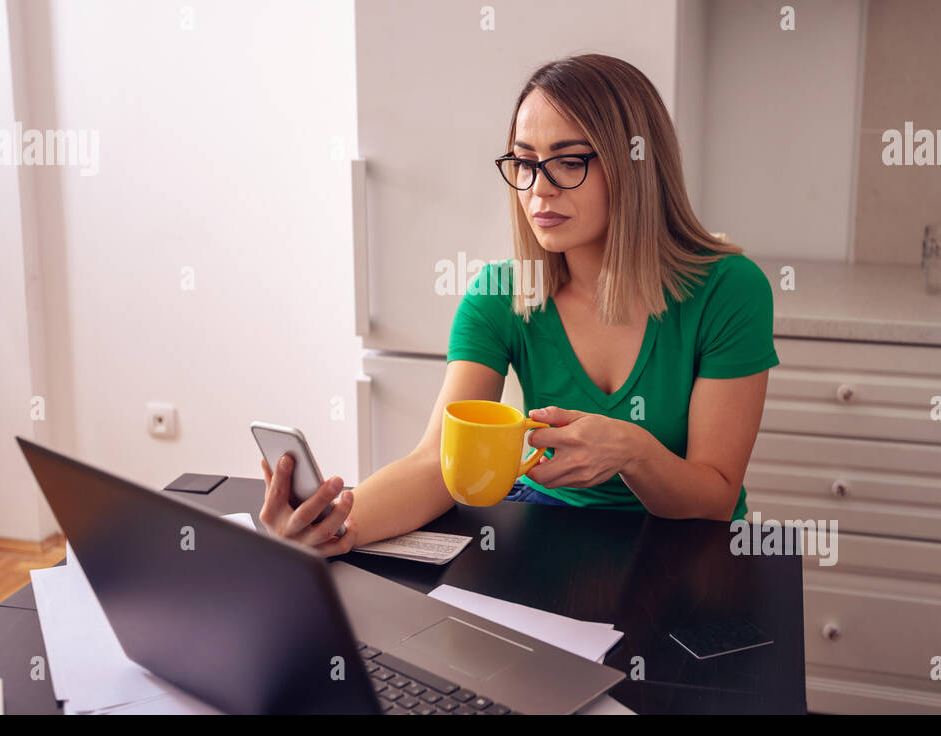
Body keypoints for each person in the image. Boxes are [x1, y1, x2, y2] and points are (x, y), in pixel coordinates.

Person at [260, 53, 779, 556]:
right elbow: (435, 466)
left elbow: (715, 500)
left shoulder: (728, 290)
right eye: (525, 162)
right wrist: (337, 529)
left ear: (636, 164)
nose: (538, 189)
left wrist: (633, 453)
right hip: (548, 529)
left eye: (569, 161)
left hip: (686, 547)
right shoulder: (500, 295)